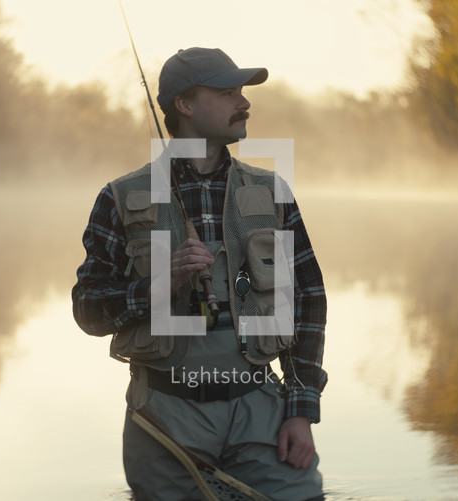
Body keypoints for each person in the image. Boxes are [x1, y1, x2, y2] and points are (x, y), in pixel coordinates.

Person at [72, 47, 327, 501]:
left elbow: (307, 303)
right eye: (228, 93)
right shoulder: (118, 199)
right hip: (164, 418)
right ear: (184, 105)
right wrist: (158, 284)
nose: (244, 103)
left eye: (243, 93)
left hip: (261, 409)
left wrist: (300, 410)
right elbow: (88, 311)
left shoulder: (273, 192)